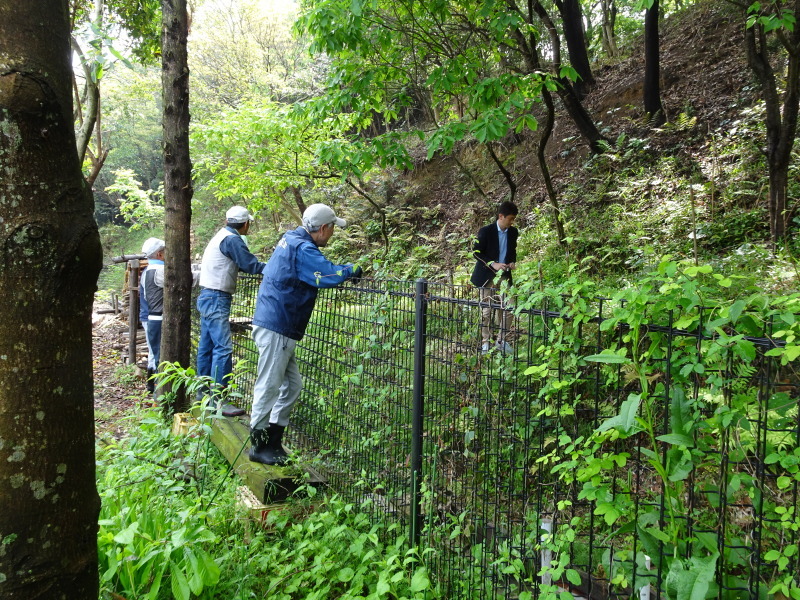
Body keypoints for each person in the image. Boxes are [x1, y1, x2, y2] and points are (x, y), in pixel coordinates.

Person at [249, 203, 362, 465]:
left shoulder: (289, 239)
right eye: (333, 228)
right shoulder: (303, 248)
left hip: (277, 322)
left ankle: (274, 441)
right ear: (323, 228)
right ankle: (258, 445)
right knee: (269, 385)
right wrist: (351, 269)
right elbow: (327, 275)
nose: (333, 233)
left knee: (292, 386)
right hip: (278, 325)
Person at [197, 206, 267, 417]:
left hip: (208, 295)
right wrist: (275, 268)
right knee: (223, 348)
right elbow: (250, 264)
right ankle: (219, 399)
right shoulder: (232, 239)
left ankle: (203, 393)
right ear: (245, 224)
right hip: (217, 297)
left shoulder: (221, 235)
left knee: (207, 345)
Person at [471, 201, 519, 354]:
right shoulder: (486, 231)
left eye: (513, 219)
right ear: (501, 216)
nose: (512, 222)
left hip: (504, 276)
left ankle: (501, 340)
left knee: (509, 308)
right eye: (510, 218)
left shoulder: (513, 232)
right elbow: (476, 253)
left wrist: (511, 262)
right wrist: (493, 264)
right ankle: (485, 342)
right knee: (486, 311)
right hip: (487, 276)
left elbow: (512, 251)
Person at [139, 237, 165, 394]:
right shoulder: (157, 271)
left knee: (152, 351)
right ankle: (156, 389)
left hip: (147, 315)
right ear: (160, 254)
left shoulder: (146, 271)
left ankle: (151, 387)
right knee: (156, 353)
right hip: (153, 317)